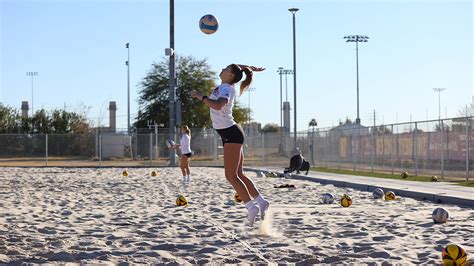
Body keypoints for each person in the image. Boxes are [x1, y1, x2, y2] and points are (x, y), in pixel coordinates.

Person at [191, 64, 269, 226]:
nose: (223, 68)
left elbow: (218, 105)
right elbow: (235, 70)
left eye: (226, 68)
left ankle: (251, 207)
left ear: (231, 75)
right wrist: (247, 67)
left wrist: (202, 97)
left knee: (230, 176)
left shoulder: (227, 89)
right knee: (238, 174)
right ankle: (261, 202)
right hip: (230, 133)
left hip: (231, 133)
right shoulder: (225, 85)